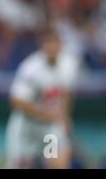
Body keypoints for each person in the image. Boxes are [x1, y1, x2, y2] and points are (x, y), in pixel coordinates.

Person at [5, 29, 80, 168]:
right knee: (20, 165)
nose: (51, 47)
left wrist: (64, 115)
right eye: (48, 43)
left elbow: (67, 92)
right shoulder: (30, 67)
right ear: (42, 45)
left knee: (57, 163)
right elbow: (16, 101)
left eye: (55, 42)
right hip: (26, 126)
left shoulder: (69, 64)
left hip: (50, 127)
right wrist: (48, 115)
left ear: (61, 45)